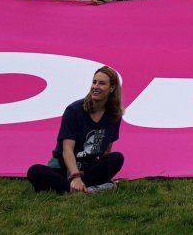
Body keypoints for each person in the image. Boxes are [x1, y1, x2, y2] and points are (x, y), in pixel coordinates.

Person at [25, 66, 126, 194]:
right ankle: (91, 188)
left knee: (117, 158)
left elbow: (106, 151)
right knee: (35, 171)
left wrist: (104, 171)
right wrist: (75, 176)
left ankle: (71, 188)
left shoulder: (115, 115)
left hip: (89, 168)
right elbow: (67, 150)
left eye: (101, 83)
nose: (95, 86)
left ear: (112, 88)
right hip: (65, 167)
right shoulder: (74, 110)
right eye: (94, 82)